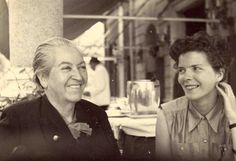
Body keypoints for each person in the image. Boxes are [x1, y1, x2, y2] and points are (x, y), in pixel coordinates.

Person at [0, 37, 120, 161]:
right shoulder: (17, 118)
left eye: (82, 67)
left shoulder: (97, 114)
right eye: (66, 68)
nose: (79, 77)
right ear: (43, 78)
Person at [155, 31, 236, 161]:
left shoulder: (234, 112)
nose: (186, 77)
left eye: (196, 68)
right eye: (182, 70)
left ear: (219, 74)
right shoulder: (166, 115)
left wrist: (233, 120)